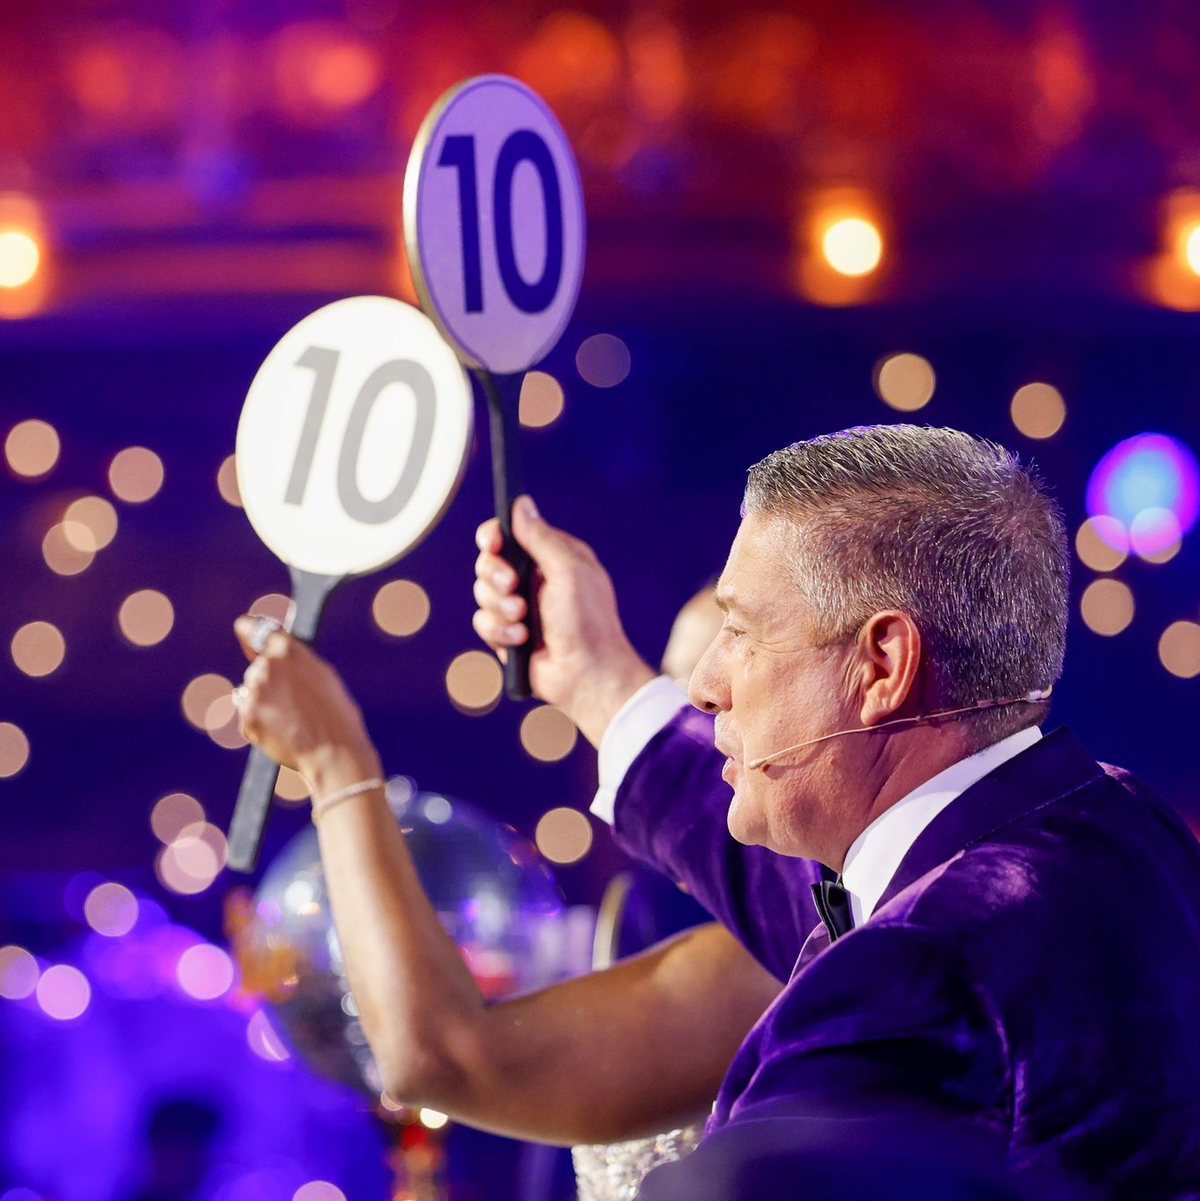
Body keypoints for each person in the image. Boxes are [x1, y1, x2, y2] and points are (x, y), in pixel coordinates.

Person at [231, 589, 806, 1153]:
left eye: (734, 668)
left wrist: (334, 761)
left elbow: (445, 1057)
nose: (695, 712)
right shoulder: (626, 925)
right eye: (670, 690)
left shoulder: (794, 953)